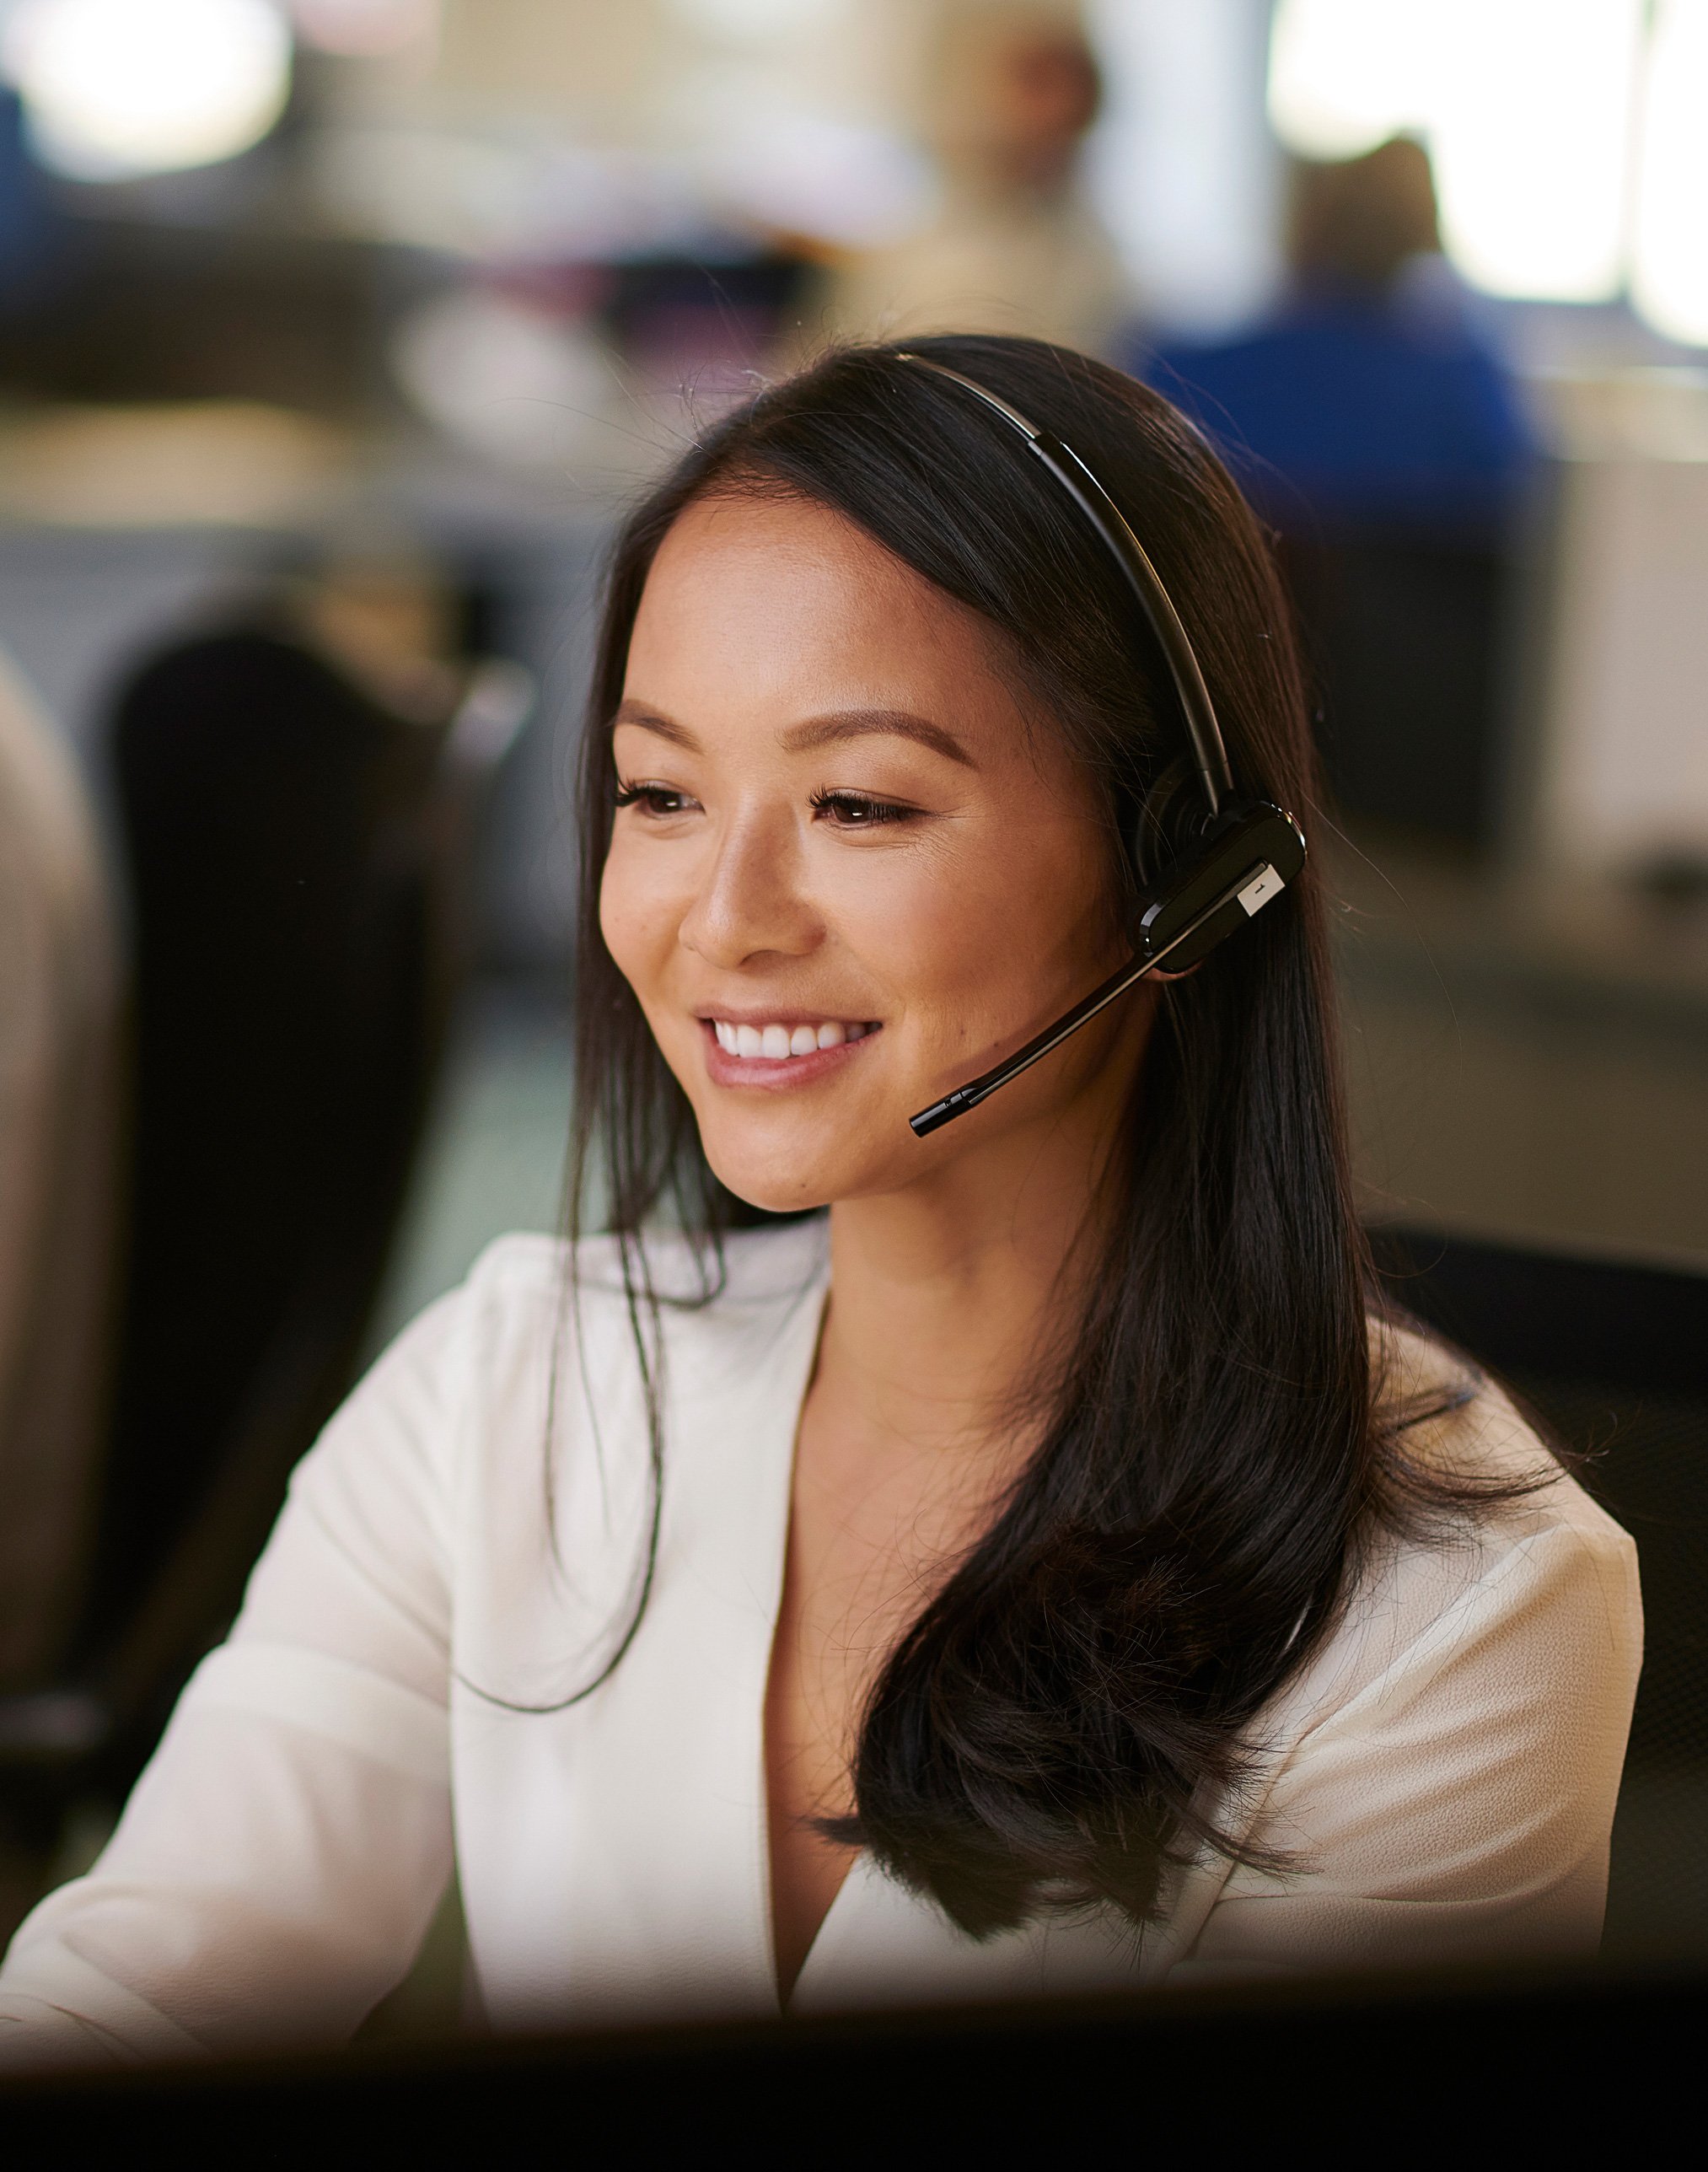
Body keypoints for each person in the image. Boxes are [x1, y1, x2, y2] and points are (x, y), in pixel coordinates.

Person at [0, 336, 1638, 2066]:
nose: (720, 918)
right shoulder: (521, 1379)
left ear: (1178, 871)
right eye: (658, 793)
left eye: (857, 801)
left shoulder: (1463, 1619)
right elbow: (139, 1985)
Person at [824, 10, 1131, 357]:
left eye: (1073, 86)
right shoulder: (921, 258)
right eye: (1037, 86)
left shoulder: (1092, 259)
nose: (1056, 112)